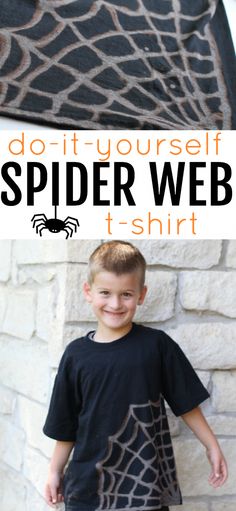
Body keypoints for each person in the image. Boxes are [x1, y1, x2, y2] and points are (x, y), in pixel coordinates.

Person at [43, 241, 228, 511]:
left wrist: (212, 445)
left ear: (141, 294)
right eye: (105, 292)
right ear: (88, 292)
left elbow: (186, 402)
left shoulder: (156, 346)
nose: (115, 304)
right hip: (86, 488)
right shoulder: (76, 355)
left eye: (126, 294)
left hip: (146, 490)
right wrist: (54, 471)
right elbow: (66, 425)